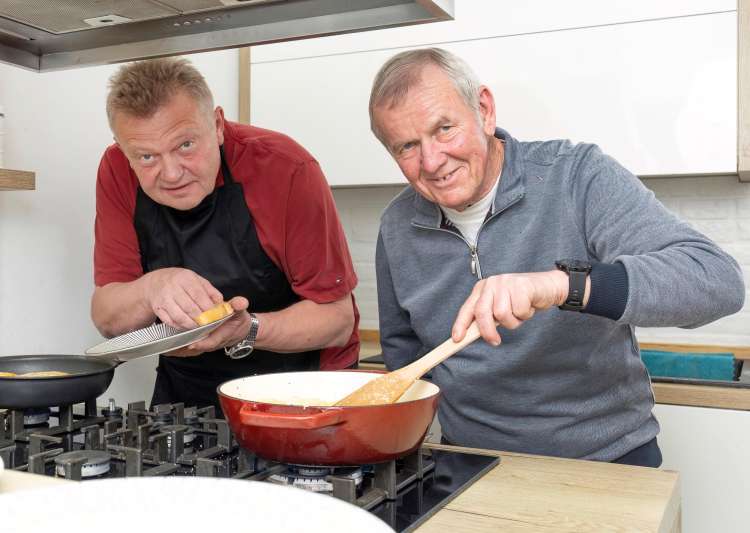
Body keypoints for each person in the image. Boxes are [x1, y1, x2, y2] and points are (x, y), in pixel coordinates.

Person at [369, 48, 745, 468]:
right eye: (407, 146)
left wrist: (558, 284)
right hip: (470, 463)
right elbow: (405, 360)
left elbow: (715, 281)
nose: (432, 161)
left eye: (443, 129)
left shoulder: (577, 176)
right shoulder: (397, 227)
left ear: (484, 110)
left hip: (607, 459)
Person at [92, 57, 359, 412]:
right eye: (146, 157)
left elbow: (337, 321)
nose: (171, 174)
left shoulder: (286, 168)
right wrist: (151, 288)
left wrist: (246, 329)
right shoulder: (115, 170)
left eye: (185, 145)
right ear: (123, 149)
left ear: (217, 125)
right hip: (187, 390)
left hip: (303, 388)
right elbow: (108, 318)